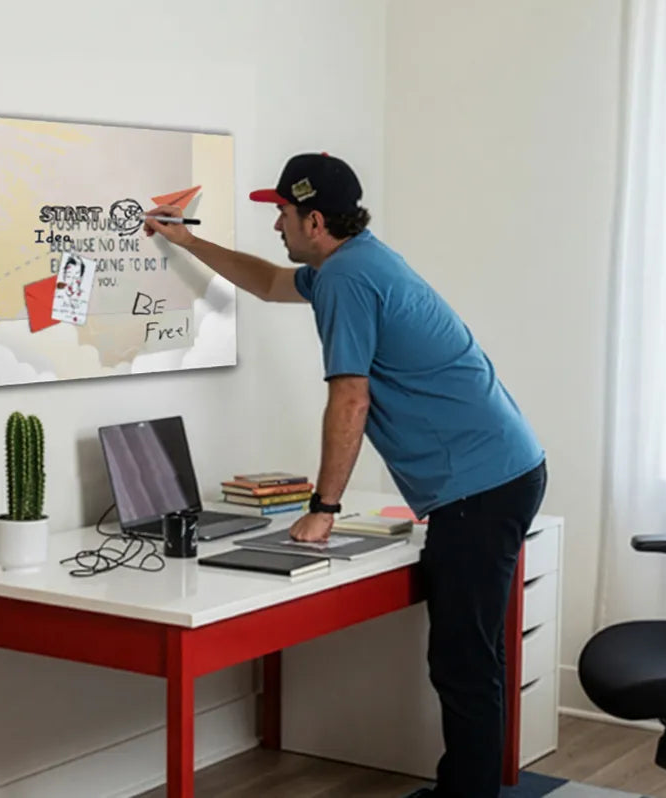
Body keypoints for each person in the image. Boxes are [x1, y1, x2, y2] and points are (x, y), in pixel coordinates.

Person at [144, 153, 547, 798]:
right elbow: (269, 282)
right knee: (471, 652)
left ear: (315, 221)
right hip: (500, 470)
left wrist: (324, 507)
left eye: (282, 212)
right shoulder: (356, 261)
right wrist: (189, 243)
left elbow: (350, 398)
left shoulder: (346, 281)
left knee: (464, 659)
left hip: (480, 486)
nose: (275, 224)